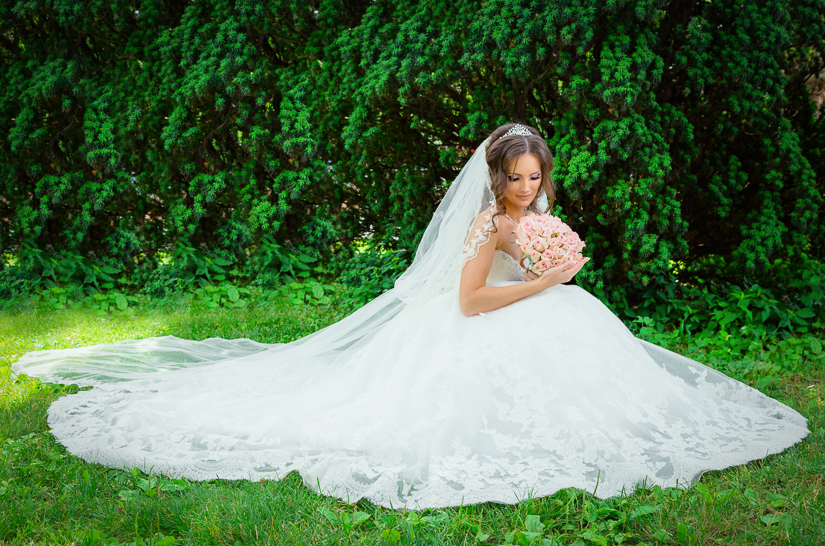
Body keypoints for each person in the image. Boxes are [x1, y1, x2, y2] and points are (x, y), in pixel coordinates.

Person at [12, 123, 809, 510]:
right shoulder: (486, 222)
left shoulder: (531, 215)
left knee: (586, 349)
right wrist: (544, 283)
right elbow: (469, 302)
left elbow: (536, 258)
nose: (526, 190)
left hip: (540, 308)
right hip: (484, 321)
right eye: (515, 178)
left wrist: (555, 266)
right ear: (493, 177)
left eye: (535, 178)